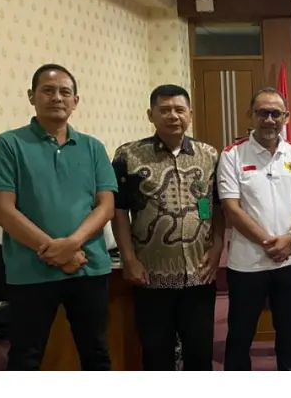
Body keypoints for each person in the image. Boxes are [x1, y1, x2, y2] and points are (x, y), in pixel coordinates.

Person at [0, 64, 117, 370]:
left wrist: (71, 245)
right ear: (32, 96)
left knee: (96, 354)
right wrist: (54, 251)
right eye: (48, 90)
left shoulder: (93, 147)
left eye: (65, 92)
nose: (57, 97)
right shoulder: (9, 144)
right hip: (30, 270)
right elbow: (2, 209)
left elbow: (105, 206)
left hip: (87, 266)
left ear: (75, 101)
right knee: (25, 358)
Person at [110, 84, 223, 371]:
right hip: (151, 274)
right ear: (151, 115)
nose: (173, 116)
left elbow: (212, 205)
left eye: (179, 110)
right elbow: (119, 211)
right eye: (165, 110)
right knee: (156, 352)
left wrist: (217, 246)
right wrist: (129, 259)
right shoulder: (129, 156)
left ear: (190, 115)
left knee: (200, 352)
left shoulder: (208, 155)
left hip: (199, 272)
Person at [216, 86, 291, 371]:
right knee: (240, 333)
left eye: (275, 113)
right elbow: (231, 208)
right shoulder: (232, 155)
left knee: (289, 333)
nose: (269, 120)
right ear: (251, 115)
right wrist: (268, 243)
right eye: (262, 113)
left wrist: (290, 238)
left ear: (286, 117)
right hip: (248, 264)